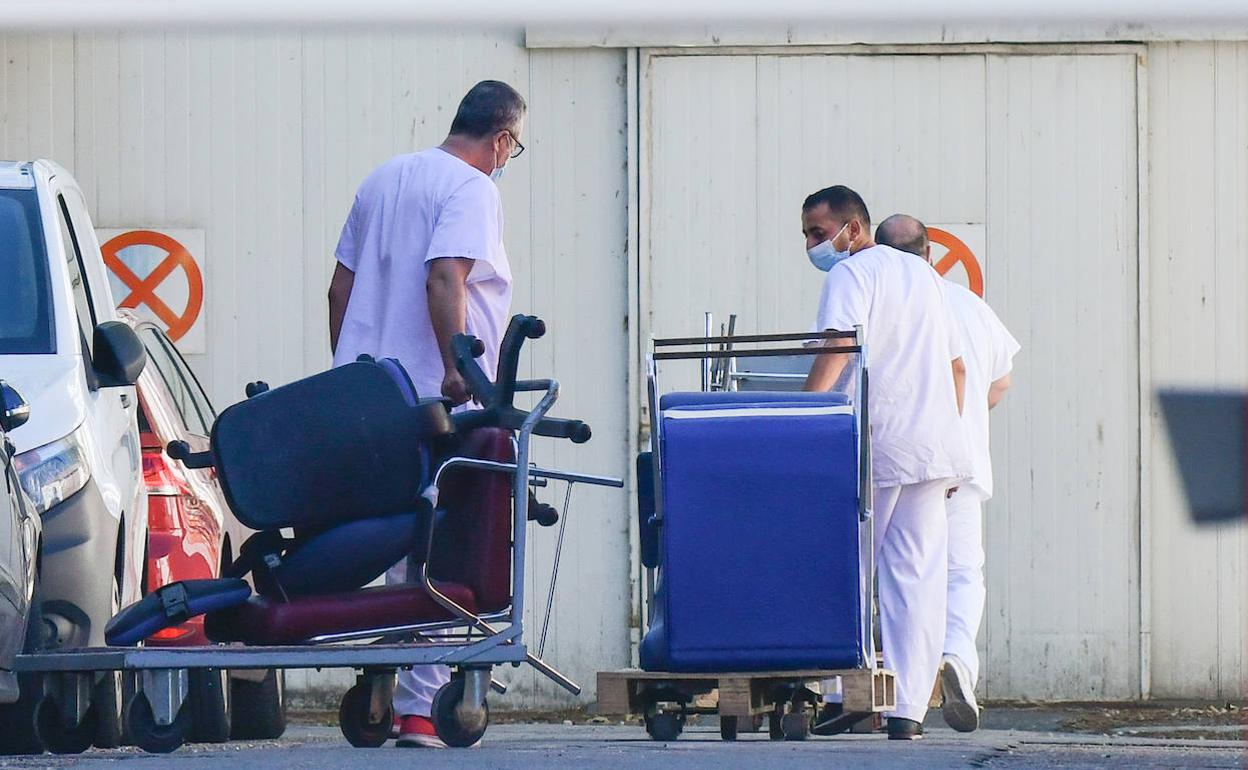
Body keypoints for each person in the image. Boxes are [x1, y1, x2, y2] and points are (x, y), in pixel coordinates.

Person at [327, 79, 526, 749]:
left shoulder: (383, 178)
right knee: (449, 545)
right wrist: (454, 365)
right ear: (501, 138)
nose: (508, 159)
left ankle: (387, 683)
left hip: (370, 400)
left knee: (395, 543)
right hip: (437, 399)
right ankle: (421, 707)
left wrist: (351, 376)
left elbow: (340, 287)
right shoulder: (473, 189)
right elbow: (447, 276)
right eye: (513, 147)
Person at [801, 186, 971, 740]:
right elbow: (955, 366)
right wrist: (952, 440)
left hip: (879, 442)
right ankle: (907, 712)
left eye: (817, 233)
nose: (811, 245)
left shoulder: (850, 275)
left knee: (844, 568)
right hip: (933, 448)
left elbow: (837, 347)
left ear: (853, 229)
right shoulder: (924, 276)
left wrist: (801, 416)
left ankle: (842, 696)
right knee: (917, 580)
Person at [874, 214, 1019, 733]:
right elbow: (999, 384)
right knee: (960, 573)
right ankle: (956, 658)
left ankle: (885, 685)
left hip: (902, 462)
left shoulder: (883, 301)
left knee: (896, 575)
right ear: (931, 255)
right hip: (961, 462)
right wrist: (967, 418)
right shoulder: (968, 305)